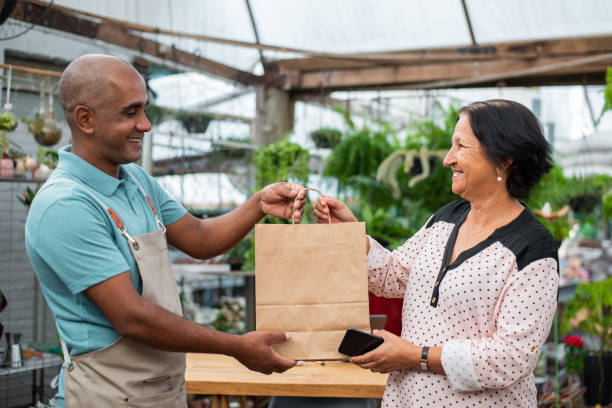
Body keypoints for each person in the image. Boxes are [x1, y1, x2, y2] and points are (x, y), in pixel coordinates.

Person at [25, 54, 306, 407]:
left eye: (144, 109)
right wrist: (236, 346)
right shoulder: (66, 205)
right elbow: (131, 317)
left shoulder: (136, 181)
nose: (145, 124)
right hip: (108, 396)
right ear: (86, 119)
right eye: (130, 112)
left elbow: (200, 238)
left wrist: (258, 205)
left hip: (160, 392)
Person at [314, 100, 559, 407]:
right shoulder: (446, 218)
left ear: (504, 159)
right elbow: (393, 275)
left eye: (461, 146)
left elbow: (512, 357)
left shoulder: (532, 248)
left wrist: (414, 356)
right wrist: (349, 233)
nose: (447, 159)